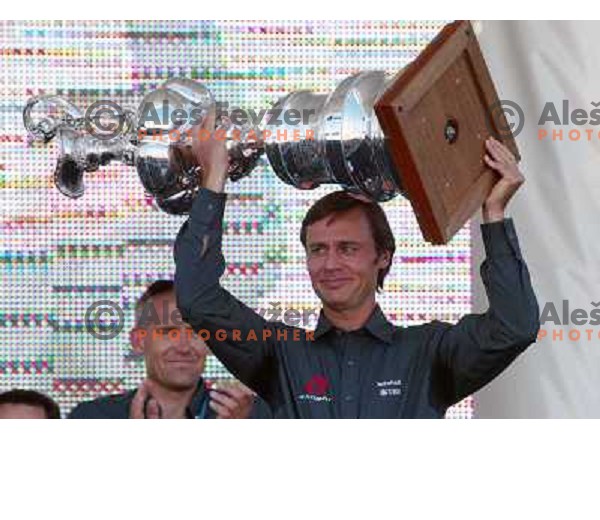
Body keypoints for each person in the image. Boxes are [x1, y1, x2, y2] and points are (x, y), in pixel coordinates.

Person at [173, 114, 540, 418]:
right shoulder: (278, 353)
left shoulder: (428, 352)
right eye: (318, 249)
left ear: (383, 257)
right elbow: (197, 299)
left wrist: (493, 214)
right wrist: (213, 179)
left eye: (347, 248)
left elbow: (515, 326)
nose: (329, 263)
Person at [69, 280, 262, 419]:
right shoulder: (93, 417)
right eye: (169, 332)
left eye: (196, 332)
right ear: (139, 341)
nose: (184, 347)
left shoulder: (251, 415)